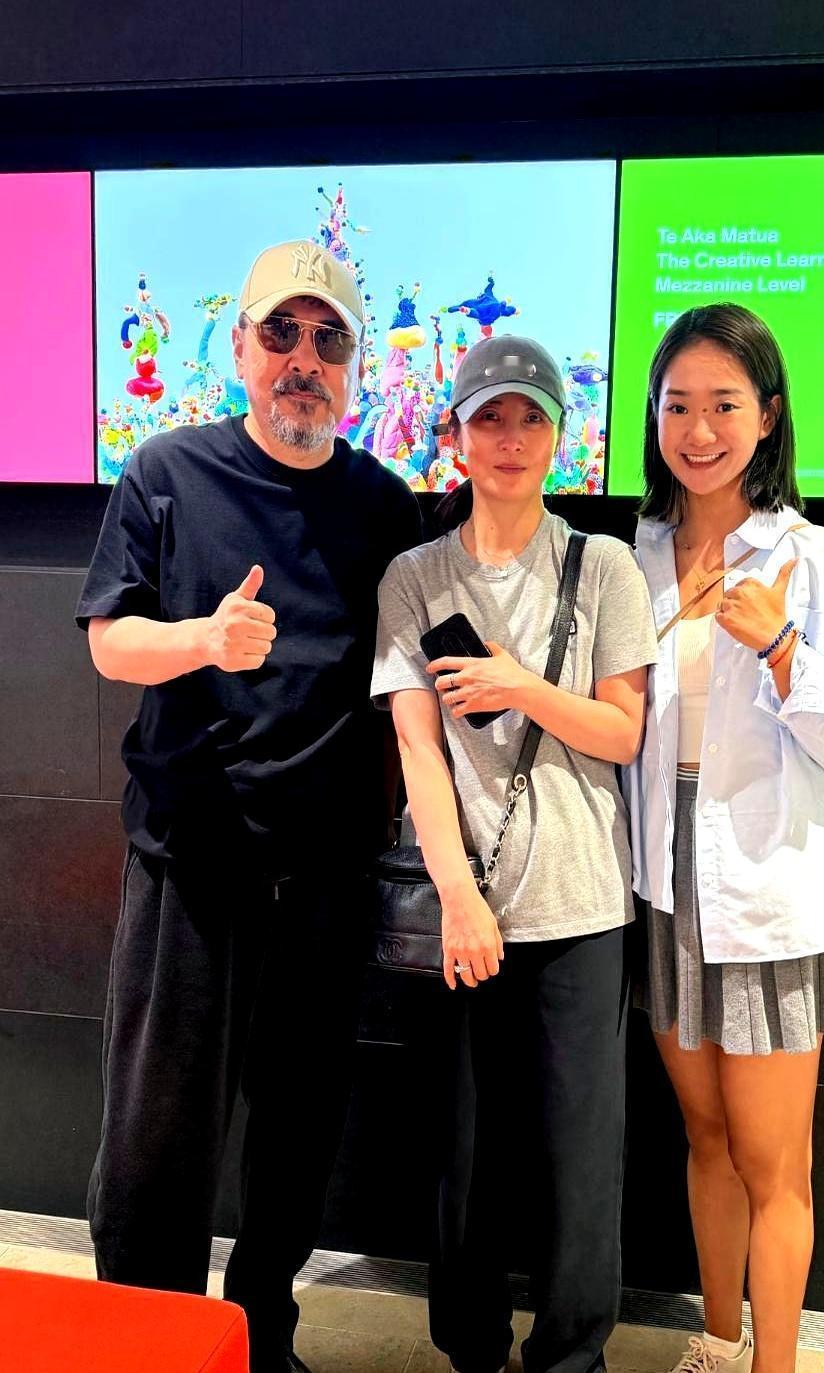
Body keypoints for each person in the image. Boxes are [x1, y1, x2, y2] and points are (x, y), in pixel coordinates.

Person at [75, 240, 422, 1373]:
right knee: (157, 1141)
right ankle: (148, 1346)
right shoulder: (166, 471)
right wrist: (204, 639)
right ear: (240, 347)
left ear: (353, 366)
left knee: (296, 1135)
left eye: (328, 339)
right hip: (192, 866)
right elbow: (109, 641)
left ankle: (260, 1337)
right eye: (281, 332)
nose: (303, 359)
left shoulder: (384, 505)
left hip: (324, 879)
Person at [623, 305, 824, 1373]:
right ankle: (716, 1342)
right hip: (666, 879)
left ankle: (773, 1365)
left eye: (724, 405)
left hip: (772, 884)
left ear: (769, 414)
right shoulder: (635, 556)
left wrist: (782, 646)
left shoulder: (818, 560)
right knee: (705, 1139)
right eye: (677, 405)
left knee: (773, 1161)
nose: (698, 430)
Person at [371, 334, 658, 1373]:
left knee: (582, 1161)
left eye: (530, 416)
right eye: (488, 416)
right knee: (465, 1154)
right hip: (468, 908)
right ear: (454, 436)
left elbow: (622, 732)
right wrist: (457, 895)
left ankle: (571, 1357)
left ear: (558, 438)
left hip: (582, 905)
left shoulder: (604, 565)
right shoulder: (413, 576)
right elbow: (417, 746)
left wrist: (519, 686)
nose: (509, 437)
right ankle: (472, 1349)